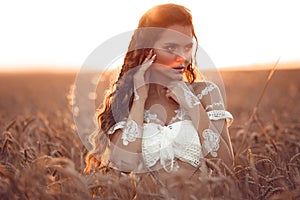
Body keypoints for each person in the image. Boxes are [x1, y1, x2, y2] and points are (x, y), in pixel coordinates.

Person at [85, 3, 234, 177]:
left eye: (187, 47)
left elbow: (226, 166)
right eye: (171, 47)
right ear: (147, 50)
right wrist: (140, 99)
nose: (182, 57)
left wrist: (191, 103)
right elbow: (124, 163)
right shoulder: (128, 99)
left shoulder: (206, 93)